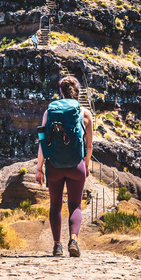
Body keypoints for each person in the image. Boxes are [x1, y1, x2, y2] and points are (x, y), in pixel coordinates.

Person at [35, 76, 93, 257]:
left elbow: (42, 142)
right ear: (78, 92)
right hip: (77, 165)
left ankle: (57, 245)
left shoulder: (49, 112)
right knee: (75, 205)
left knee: (55, 205)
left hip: (54, 166)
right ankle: (73, 240)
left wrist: (39, 169)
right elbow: (89, 145)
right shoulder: (85, 113)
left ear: (61, 92)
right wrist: (86, 165)